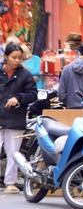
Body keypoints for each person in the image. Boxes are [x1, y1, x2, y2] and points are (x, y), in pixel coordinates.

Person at [0, 43, 37, 193]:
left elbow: (33, 94)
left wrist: (18, 98)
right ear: (6, 57)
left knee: (13, 152)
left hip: (15, 117)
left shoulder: (25, 75)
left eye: (19, 58)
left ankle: (10, 183)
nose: (16, 61)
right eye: (14, 57)